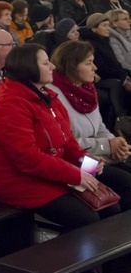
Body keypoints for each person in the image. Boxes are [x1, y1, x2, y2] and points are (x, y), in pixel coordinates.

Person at [0, 43, 122, 236]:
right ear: (29, 69)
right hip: (19, 181)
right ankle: (75, 265)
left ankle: (110, 265)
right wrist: (75, 174)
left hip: (50, 173)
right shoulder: (10, 104)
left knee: (111, 208)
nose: (52, 66)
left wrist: (89, 162)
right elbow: (27, 158)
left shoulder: (47, 96)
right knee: (87, 219)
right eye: (45, 63)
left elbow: (67, 142)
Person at [49, 41, 131, 197]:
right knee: (125, 181)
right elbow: (66, 143)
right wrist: (106, 145)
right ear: (72, 66)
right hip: (74, 160)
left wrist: (116, 144)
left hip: (97, 154)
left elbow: (99, 126)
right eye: (89, 63)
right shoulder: (54, 95)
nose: (95, 68)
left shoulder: (87, 89)